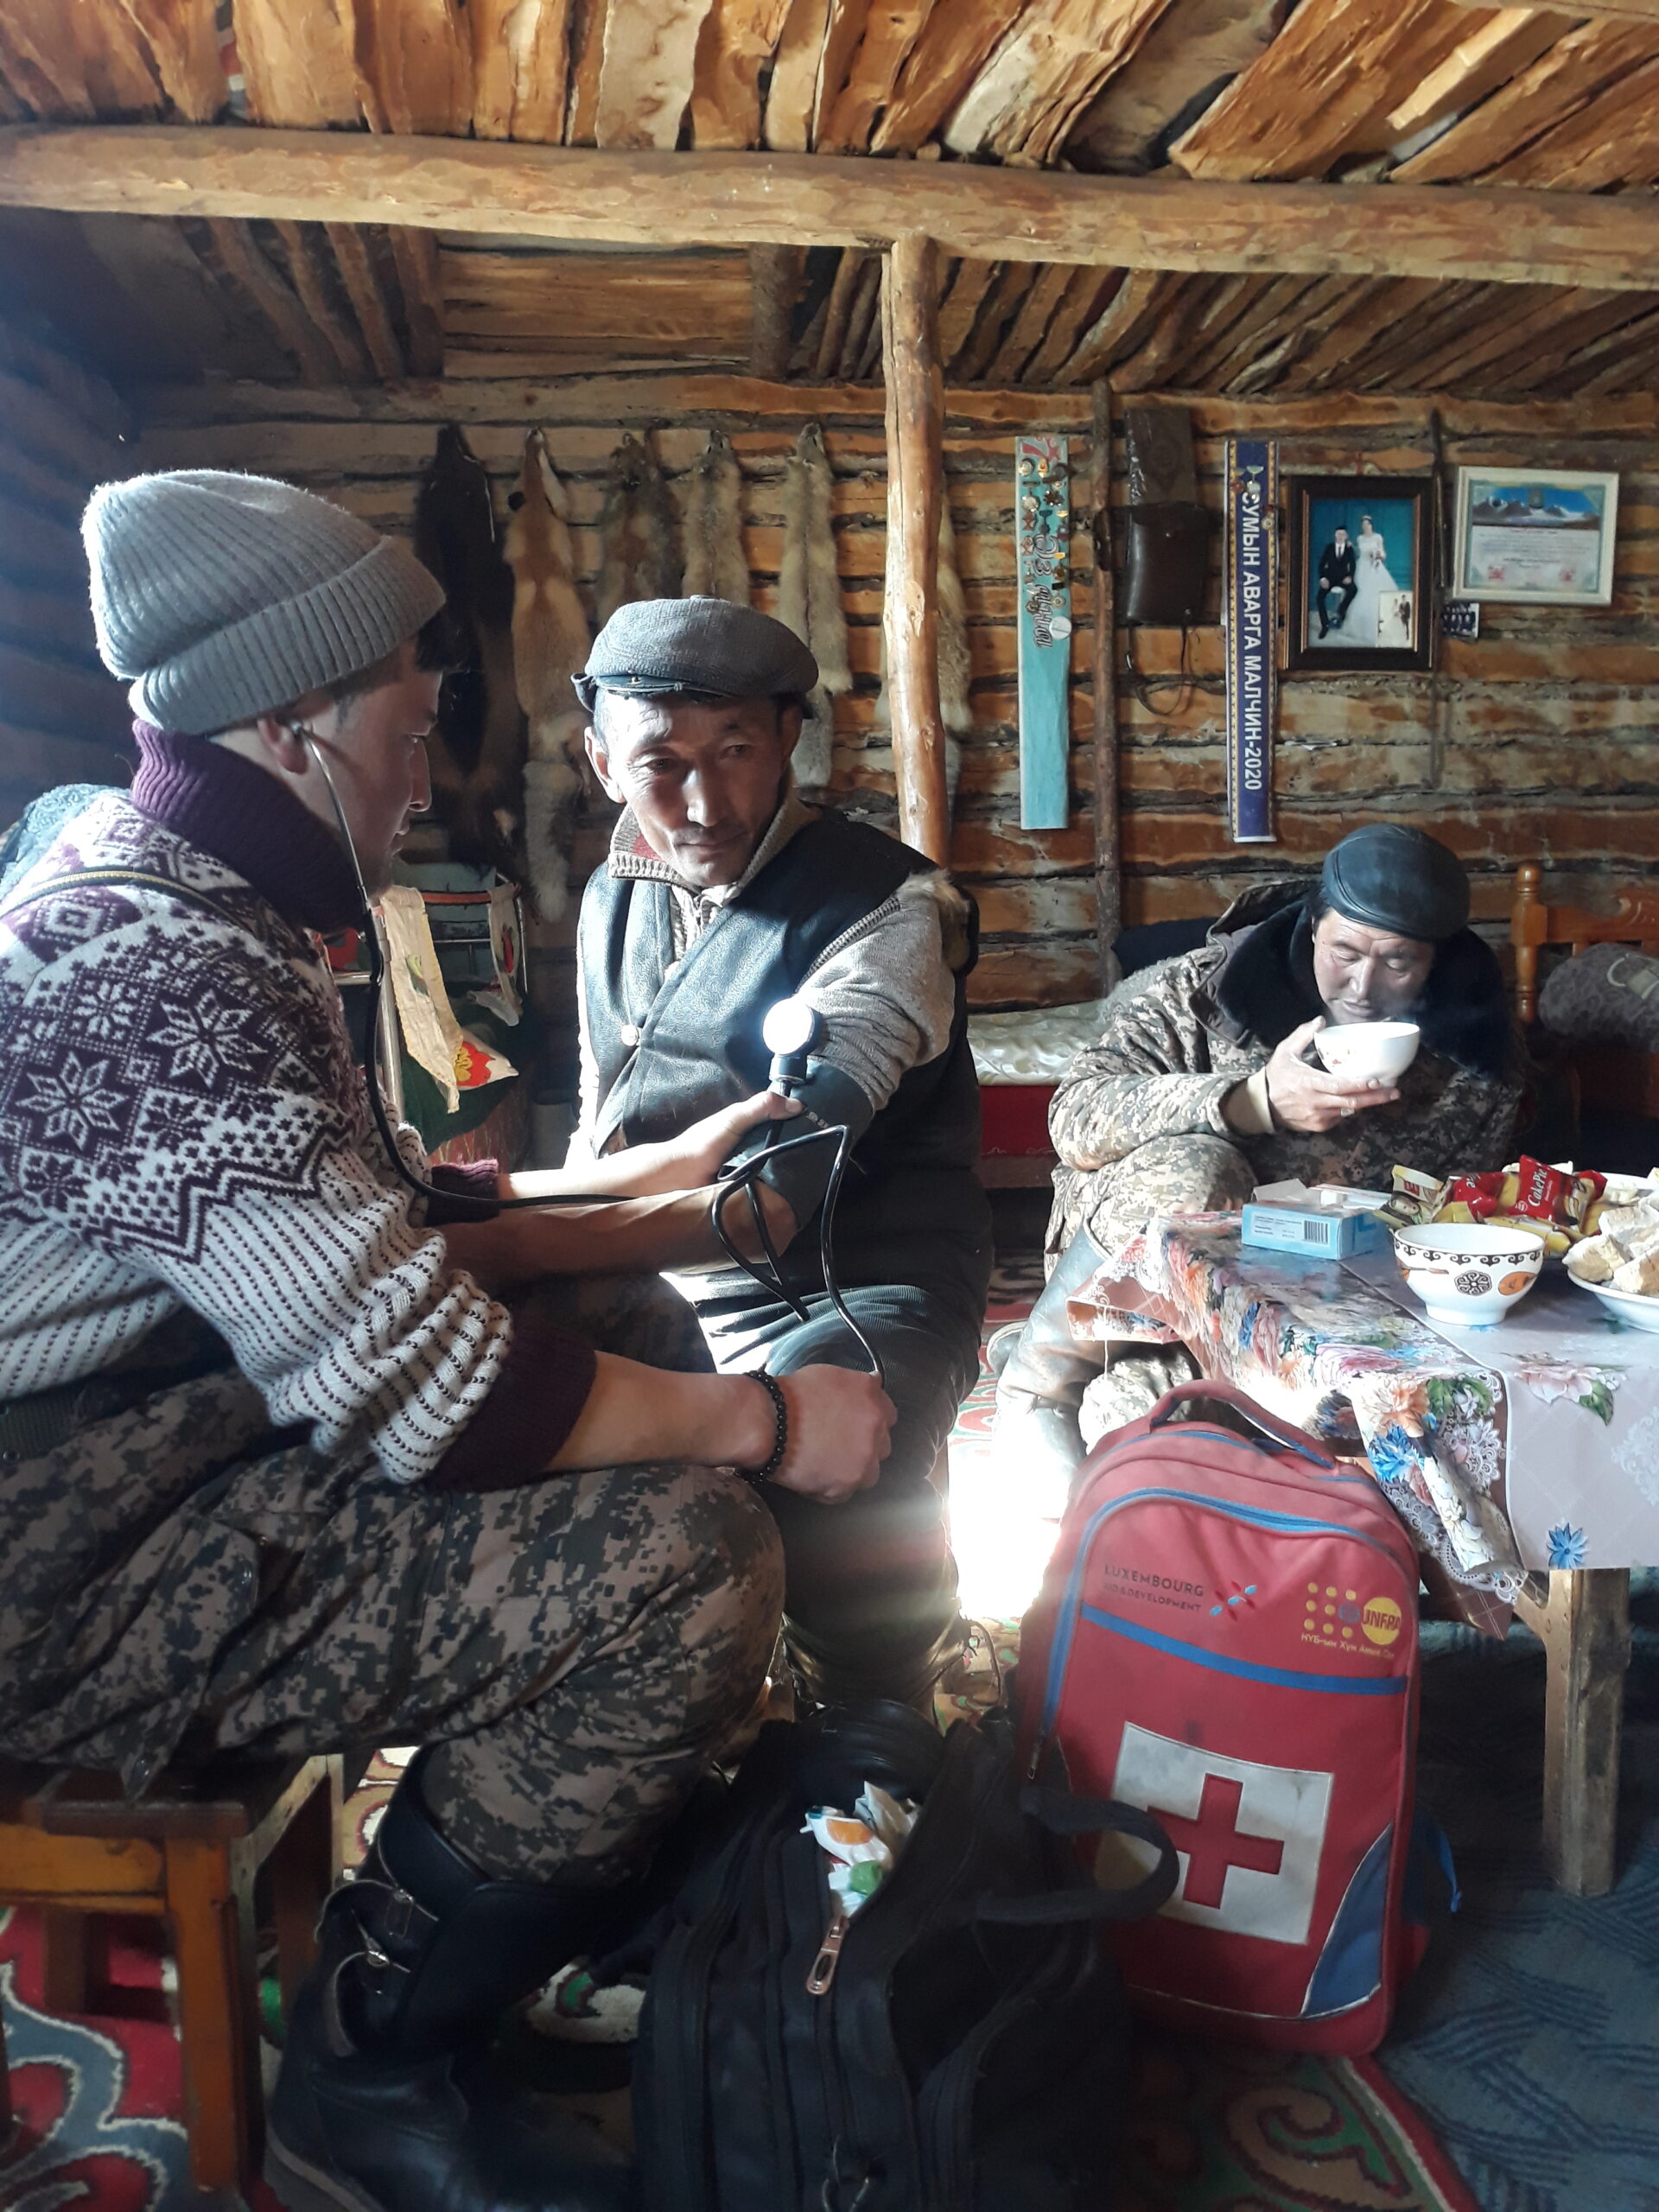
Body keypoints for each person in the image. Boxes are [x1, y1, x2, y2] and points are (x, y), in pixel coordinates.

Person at [0, 473, 899, 2212]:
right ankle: (379, 2054)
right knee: (684, 1558)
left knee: (625, 1326)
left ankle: (555, 1868)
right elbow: (420, 1385)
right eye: (413, 724)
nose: (434, 769)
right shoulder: (149, 964)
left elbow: (409, 1215)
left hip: (161, 1435)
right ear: (295, 723)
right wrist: (770, 1422)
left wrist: (672, 1213)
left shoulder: (201, 900)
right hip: (54, 1555)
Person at [571, 597, 994, 1711]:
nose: (704, 801)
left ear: (788, 741)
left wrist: (520, 1238)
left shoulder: (887, 908)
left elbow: (767, 1204)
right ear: (600, 757)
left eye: (738, 752)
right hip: (667, 1268)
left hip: (860, 1275)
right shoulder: (609, 896)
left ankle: (875, 1711)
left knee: (838, 1456)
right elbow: (601, 1119)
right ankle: (666, 1708)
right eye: (661, 761)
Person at [992, 824, 1527, 1492]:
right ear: (1310, 928)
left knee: (1135, 1421)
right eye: (1345, 951)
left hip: (1317, 1306)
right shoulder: (1199, 992)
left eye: (1397, 963)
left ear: (1435, 961)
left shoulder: (1476, 1054)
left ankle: (1122, 1392)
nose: (1362, 985)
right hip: (1140, 1275)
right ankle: (1038, 1380)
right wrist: (1252, 1100)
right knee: (1199, 1169)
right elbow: (1073, 1117)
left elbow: (1449, 1210)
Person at [1348, 512, 1400, 646]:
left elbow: (1383, 553)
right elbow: (1360, 552)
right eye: (1362, 525)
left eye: (1366, 525)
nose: (1364, 527)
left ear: (1371, 525)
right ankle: (1360, 627)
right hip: (1362, 567)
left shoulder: (1378, 537)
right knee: (1360, 594)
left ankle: (1381, 625)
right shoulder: (1360, 538)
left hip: (1375, 567)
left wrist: (1378, 556)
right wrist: (1351, 547)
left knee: (1374, 595)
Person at [1314, 524, 1358, 639]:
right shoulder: (1329, 547)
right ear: (1335, 535)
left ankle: (1340, 611)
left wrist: (1350, 576)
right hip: (1329, 578)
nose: (1340, 536)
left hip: (1343, 578)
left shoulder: (1349, 549)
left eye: (1343, 534)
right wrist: (1323, 578)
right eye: (1338, 534)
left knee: (1354, 589)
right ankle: (1325, 625)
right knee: (1319, 598)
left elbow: (1353, 565)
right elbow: (1321, 564)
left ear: (1346, 536)